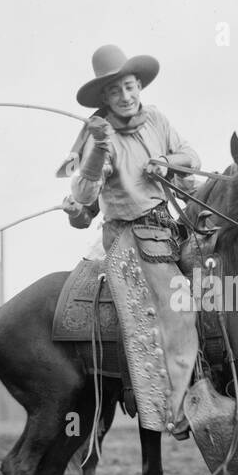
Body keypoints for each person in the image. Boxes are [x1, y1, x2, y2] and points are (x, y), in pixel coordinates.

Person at [63, 44, 204, 438]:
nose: (124, 97)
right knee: (177, 307)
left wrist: (167, 163)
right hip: (129, 236)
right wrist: (99, 152)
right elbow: (86, 194)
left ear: (139, 85)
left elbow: (190, 155)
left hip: (169, 227)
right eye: (114, 92)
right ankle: (173, 411)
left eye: (129, 87)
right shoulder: (98, 135)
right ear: (104, 98)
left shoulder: (157, 119)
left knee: (220, 282)